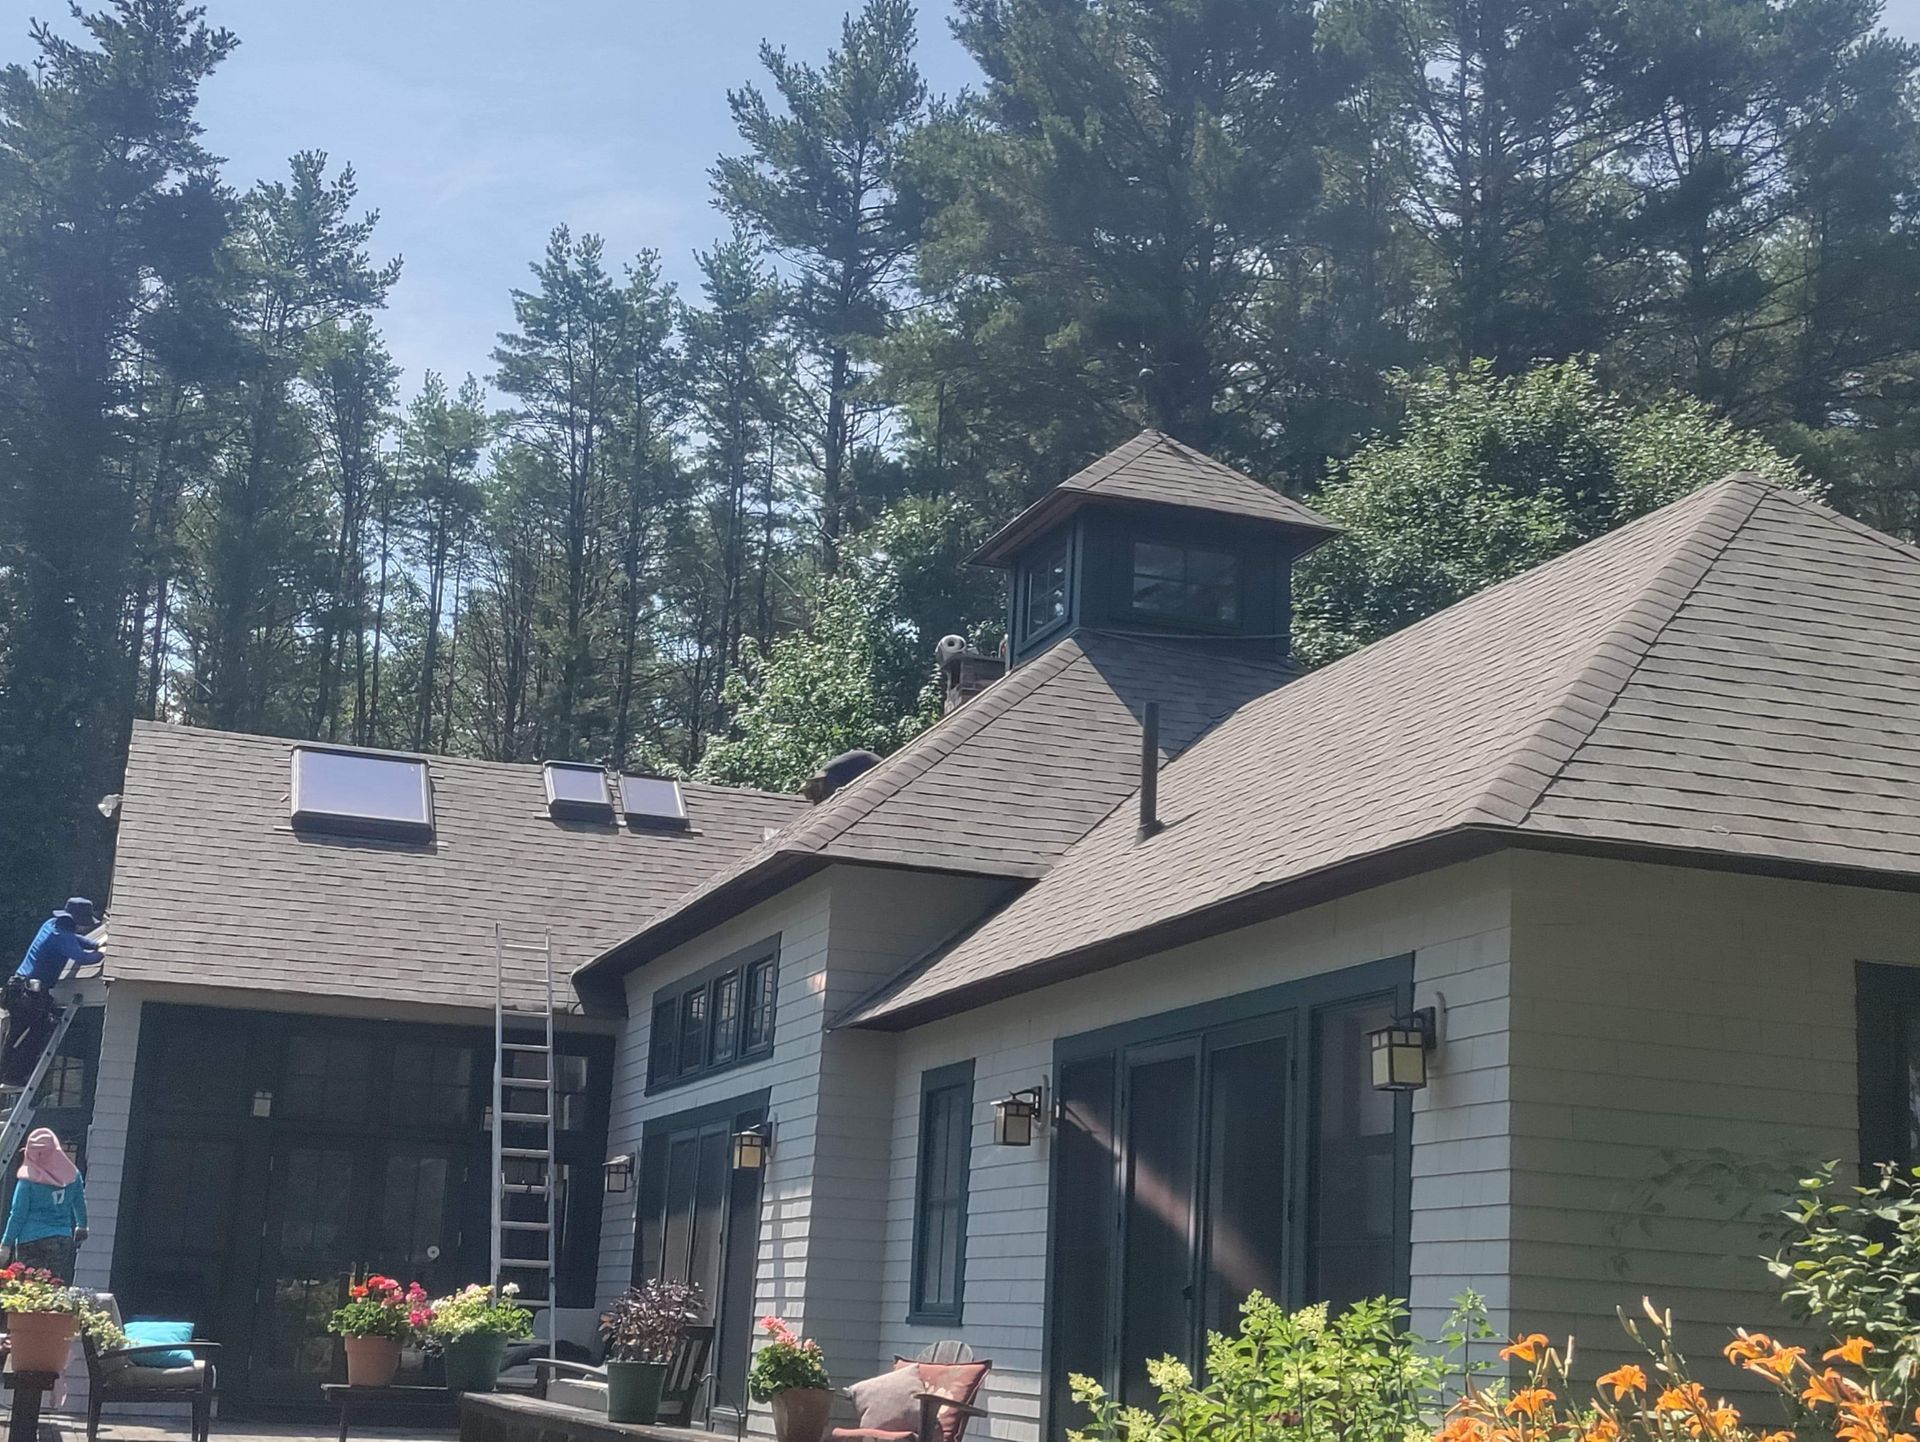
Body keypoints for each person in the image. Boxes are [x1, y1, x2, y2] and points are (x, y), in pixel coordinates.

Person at [2, 899, 104, 1087]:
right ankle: (13, 1076)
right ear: (76, 920)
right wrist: (103, 953)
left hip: (18, 989)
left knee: (16, 1035)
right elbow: (83, 957)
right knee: (38, 1031)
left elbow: (77, 940)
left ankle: (8, 1073)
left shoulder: (50, 925)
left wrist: (93, 943)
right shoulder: (62, 937)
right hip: (29, 994)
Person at [1, 1130, 87, 1280]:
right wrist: (82, 1226)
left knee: (30, 1289)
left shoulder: (28, 1179)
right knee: (53, 1285)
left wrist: (6, 1244)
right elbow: (79, 1204)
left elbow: (17, 1214)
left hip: (31, 1240)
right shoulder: (73, 1175)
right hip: (61, 1239)